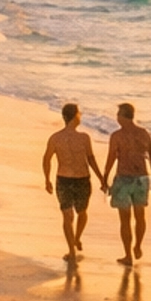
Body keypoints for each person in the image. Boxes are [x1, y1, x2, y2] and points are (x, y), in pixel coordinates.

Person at [42, 101, 104, 257]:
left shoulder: (83, 138)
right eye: (79, 113)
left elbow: (91, 159)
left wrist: (101, 178)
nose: (80, 116)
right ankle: (71, 250)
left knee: (82, 212)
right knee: (67, 215)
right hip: (65, 180)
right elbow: (47, 159)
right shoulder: (56, 138)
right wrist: (47, 179)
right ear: (74, 116)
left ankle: (76, 238)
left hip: (81, 179)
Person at [102, 101, 151, 263]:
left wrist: (105, 177)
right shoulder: (143, 133)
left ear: (123, 116)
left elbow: (111, 158)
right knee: (140, 216)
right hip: (142, 178)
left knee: (125, 220)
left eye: (118, 114)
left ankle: (128, 255)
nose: (116, 118)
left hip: (124, 179)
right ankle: (138, 246)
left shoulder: (117, 136)